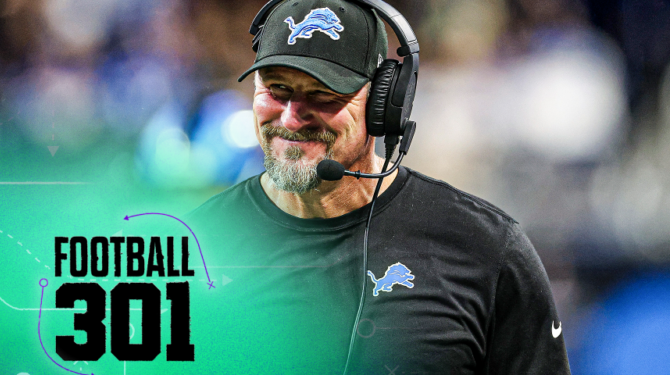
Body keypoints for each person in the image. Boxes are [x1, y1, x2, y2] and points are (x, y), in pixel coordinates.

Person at [187, 0, 571, 374]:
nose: (291, 116)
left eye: (322, 94)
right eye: (276, 89)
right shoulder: (188, 249)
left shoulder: (485, 249)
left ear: (384, 104)